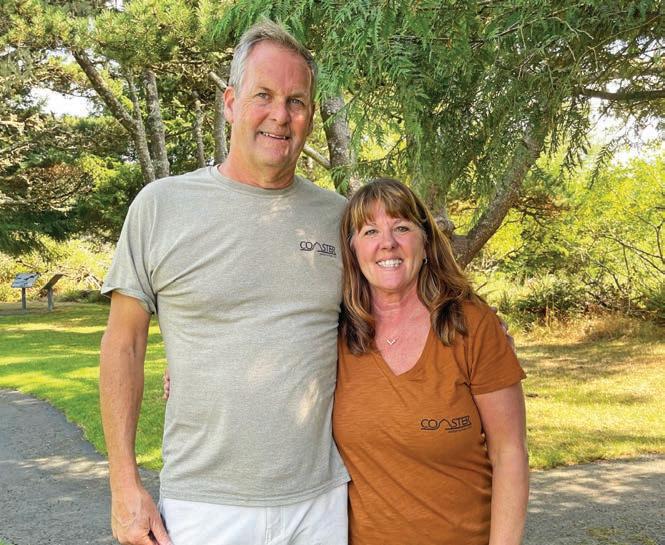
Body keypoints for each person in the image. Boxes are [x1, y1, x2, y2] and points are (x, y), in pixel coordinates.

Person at [99, 20, 349, 545]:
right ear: (231, 103)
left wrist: (468, 332)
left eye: (296, 101)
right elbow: (124, 345)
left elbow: (388, 318)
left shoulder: (340, 218)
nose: (280, 115)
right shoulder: (161, 207)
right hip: (204, 506)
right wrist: (124, 484)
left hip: (320, 503)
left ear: (310, 115)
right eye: (264, 95)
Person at [332, 178, 529, 545]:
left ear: (425, 241)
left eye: (401, 228)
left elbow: (510, 452)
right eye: (370, 231)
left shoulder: (471, 325)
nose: (387, 243)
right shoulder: (335, 333)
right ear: (353, 249)